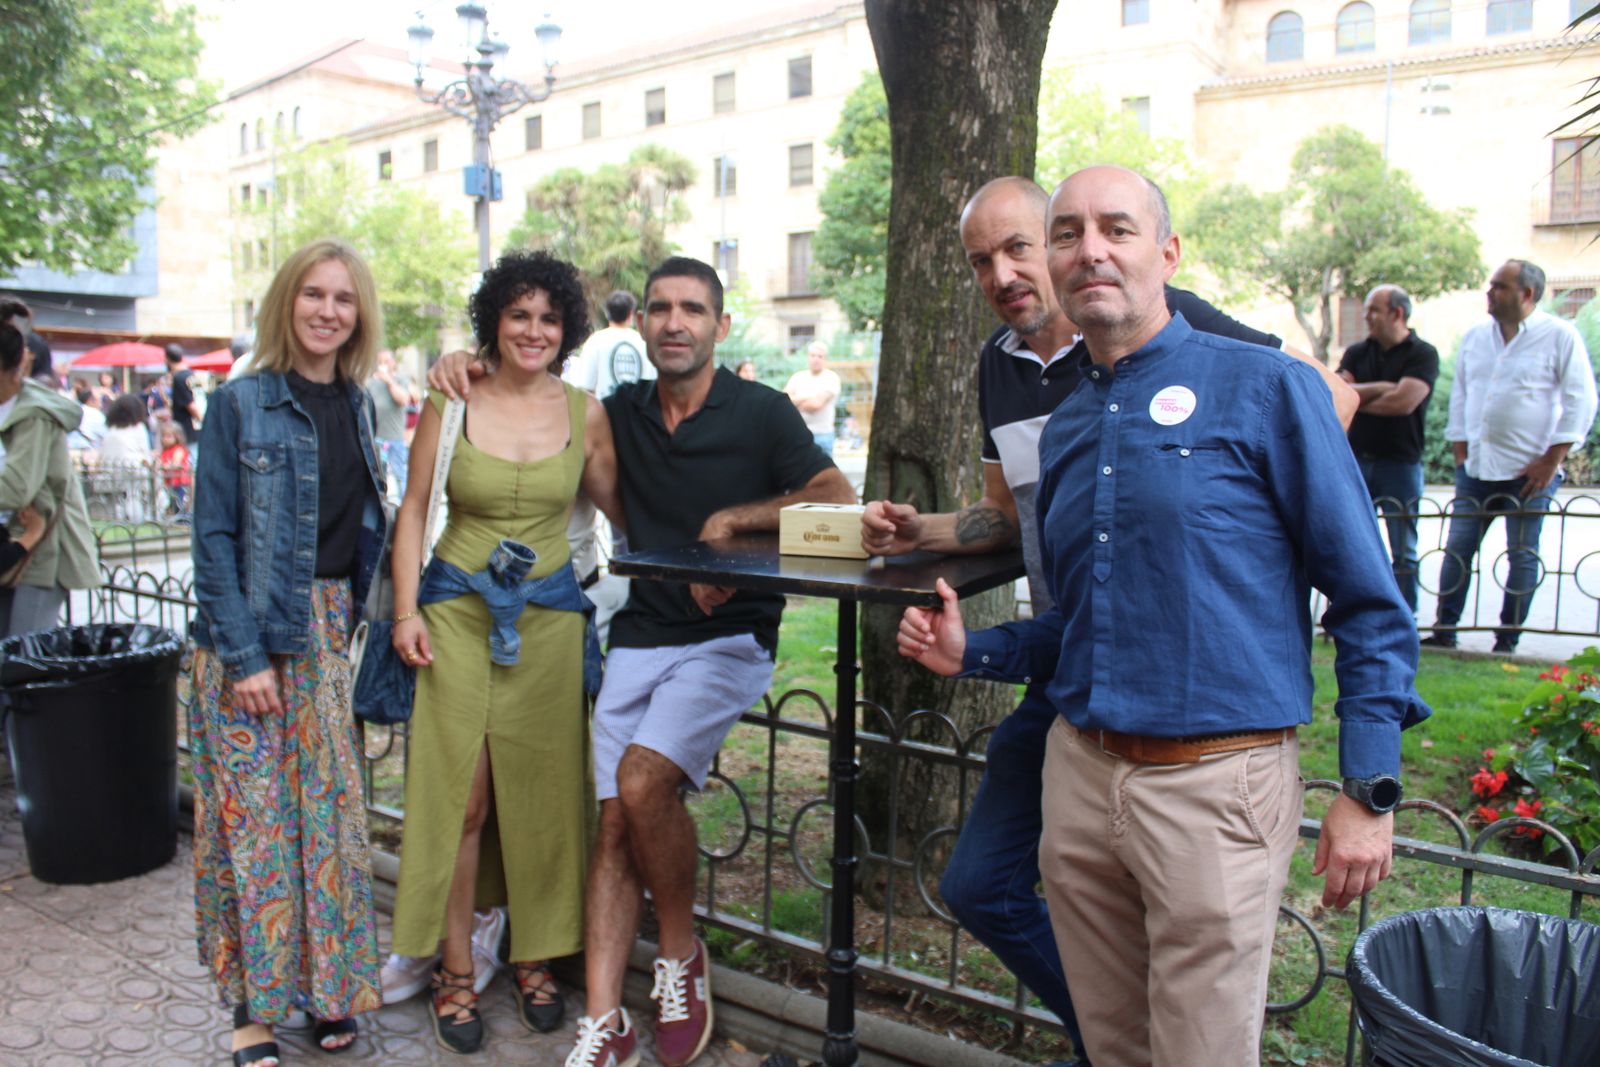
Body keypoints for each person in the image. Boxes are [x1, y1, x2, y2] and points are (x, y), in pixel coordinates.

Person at [896, 166, 1427, 1067]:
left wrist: (1368, 786)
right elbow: (1079, 625)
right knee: (1114, 1049)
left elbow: (1370, 600)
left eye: (1117, 228)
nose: (1089, 249)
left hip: (1216, 787)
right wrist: (971, 649)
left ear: (1168, 253)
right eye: (1068, 233)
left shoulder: (1265, 388)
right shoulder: (1063, 431)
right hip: (1081, 777)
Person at [428, 256, 856, 1067]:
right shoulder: (614, 410)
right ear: (642, 323)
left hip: (730, 637)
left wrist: (733, 523)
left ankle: (678, 953)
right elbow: (532, 389)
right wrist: (463, 361)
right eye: (660, 307)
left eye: (693, 309)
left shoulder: (761, 411)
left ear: (720, 326)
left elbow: (836, 498)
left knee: (641, 781)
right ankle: (605, 1020)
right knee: (614, 822)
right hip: (639, 633)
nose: (674, 321)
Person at [386, 251, 623, 1055]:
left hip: (551, 623)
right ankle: (454, 968)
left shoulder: (586, 412)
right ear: (494, 320)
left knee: (545, 798)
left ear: (568, 329)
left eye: (548, 317)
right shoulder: (451, 396)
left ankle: (534, 957)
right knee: (464, 797)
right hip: (454, 618)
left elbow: (626, 514)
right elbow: (413, 509)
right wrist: (404, 610)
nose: (533, 330)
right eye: (518, 315)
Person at [188, 237, 387, 1066]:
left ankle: (323, 990)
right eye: (313, 294)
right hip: (254, 641)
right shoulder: (242, 404)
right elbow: (212, 539)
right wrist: (245, 658)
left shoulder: (362, 403)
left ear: (360, 314)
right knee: (253, 832)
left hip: (328, 638)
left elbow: (365, 531)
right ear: (285, 302)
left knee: (328, 829)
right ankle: (250, 1010)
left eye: (344, 298)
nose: (328, 311)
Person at [1425, 259, 1598, 653]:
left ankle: (1507, 640)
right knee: (1456, 550)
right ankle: (1444, 630)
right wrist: (1459, 450)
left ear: (1527, 294)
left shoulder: (1560, 336)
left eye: (1499, 286)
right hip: (1477, 468)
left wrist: (1551, 460)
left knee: (1521, 556)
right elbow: (1462, 396)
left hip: (1531, 472)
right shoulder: (1475, 337)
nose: (1490, 292)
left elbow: (1581, 401)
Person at [1336, 285, 1439, 615]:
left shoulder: (1422, 354)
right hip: (1357, 461)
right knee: (1350, 542)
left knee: (1403, 549)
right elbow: (1336, 395)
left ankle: (1404, 616)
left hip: (1401, 465)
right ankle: (1352, 613)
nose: (1367, 317)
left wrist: (1357, 397)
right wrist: (1382, 388)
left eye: (1374, 310)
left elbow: (1404, 402)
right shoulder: (1356, 352)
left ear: (1397, 313)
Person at [0, 307, 99, 637]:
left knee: (25, 667)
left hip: (43, 555)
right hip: (16, 548)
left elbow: (16, 488)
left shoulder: (33, 414)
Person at [563, 289, 653, 400]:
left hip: (604, 412)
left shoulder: (596, 341)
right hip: (639, 414)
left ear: (607, 313)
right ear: (631, 314)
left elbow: (585, 386)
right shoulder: (643, 342)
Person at [365, 349, 419, 501]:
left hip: (395, 437)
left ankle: (404, 507)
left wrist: (389, 381)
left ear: (393, 363)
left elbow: (403, 399)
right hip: (376, 438)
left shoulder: (400, 380)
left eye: (386, 361)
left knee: (400, 475)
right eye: (380, 362)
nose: (383, 365)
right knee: (377, 477)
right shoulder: (371, 383)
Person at [783, 340, 841, 452]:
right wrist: (810, 397)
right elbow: (784, 400)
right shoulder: (797, 377)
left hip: (822, 435)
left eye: (820, 356)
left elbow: (815, 405)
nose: (816, 359)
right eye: (813, 355)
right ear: (808, 357)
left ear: (825, 359)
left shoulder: (831, 378)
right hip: (798, 434)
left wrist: (795, 401)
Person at [166, 342, 202, 453]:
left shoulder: (179, 378)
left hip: (186, 429)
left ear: (167, 358)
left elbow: (190, 404)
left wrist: (204, 422)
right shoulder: (191, 375)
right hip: (196, 428)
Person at [158, 421, 192, 517]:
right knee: (171, 500)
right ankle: (175, 516)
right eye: (164, 436)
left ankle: (183, 517)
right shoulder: (165, 451)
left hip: (179, 481)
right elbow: (160, 462)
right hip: (169, 482)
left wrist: (167, 466)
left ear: (177, 437)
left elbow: (176, 462)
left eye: (169, 436)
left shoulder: (178, 449)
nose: (165, 439)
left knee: (179, 500)